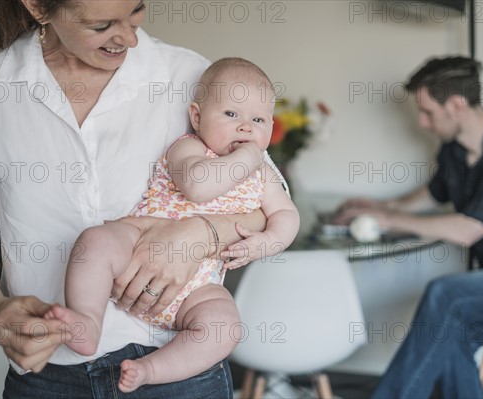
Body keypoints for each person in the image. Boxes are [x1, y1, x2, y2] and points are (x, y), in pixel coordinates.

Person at [0, 1, 277, 397]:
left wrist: (200, 235)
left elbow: (265, 196)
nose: (130, 37)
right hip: (49, 377)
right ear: (37, 7)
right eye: (102, 25)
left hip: (178, 367)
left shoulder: (189, 74)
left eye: (136, 12)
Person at [45, 57, 300, 392]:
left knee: (225, 328)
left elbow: (287, 216)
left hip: (199, 289)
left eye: (258, 119)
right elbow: (198, 186)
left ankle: (149, 370)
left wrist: (265, 243)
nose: (245, 127)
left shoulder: (265, 177)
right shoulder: (190, 147)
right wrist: (247, 158)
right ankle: (87, 321)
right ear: (197, 117)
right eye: (231, 114)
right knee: (95, 241)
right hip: (139, 244)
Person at [334, 56, 483, 398]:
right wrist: (380, 206)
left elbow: (468, 230)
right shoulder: (453, 152)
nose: (422, 122)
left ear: (457, 105)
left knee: (445, 294)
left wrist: (387, 221)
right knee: (446, 333)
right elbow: (431, 195)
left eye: (428, 112)